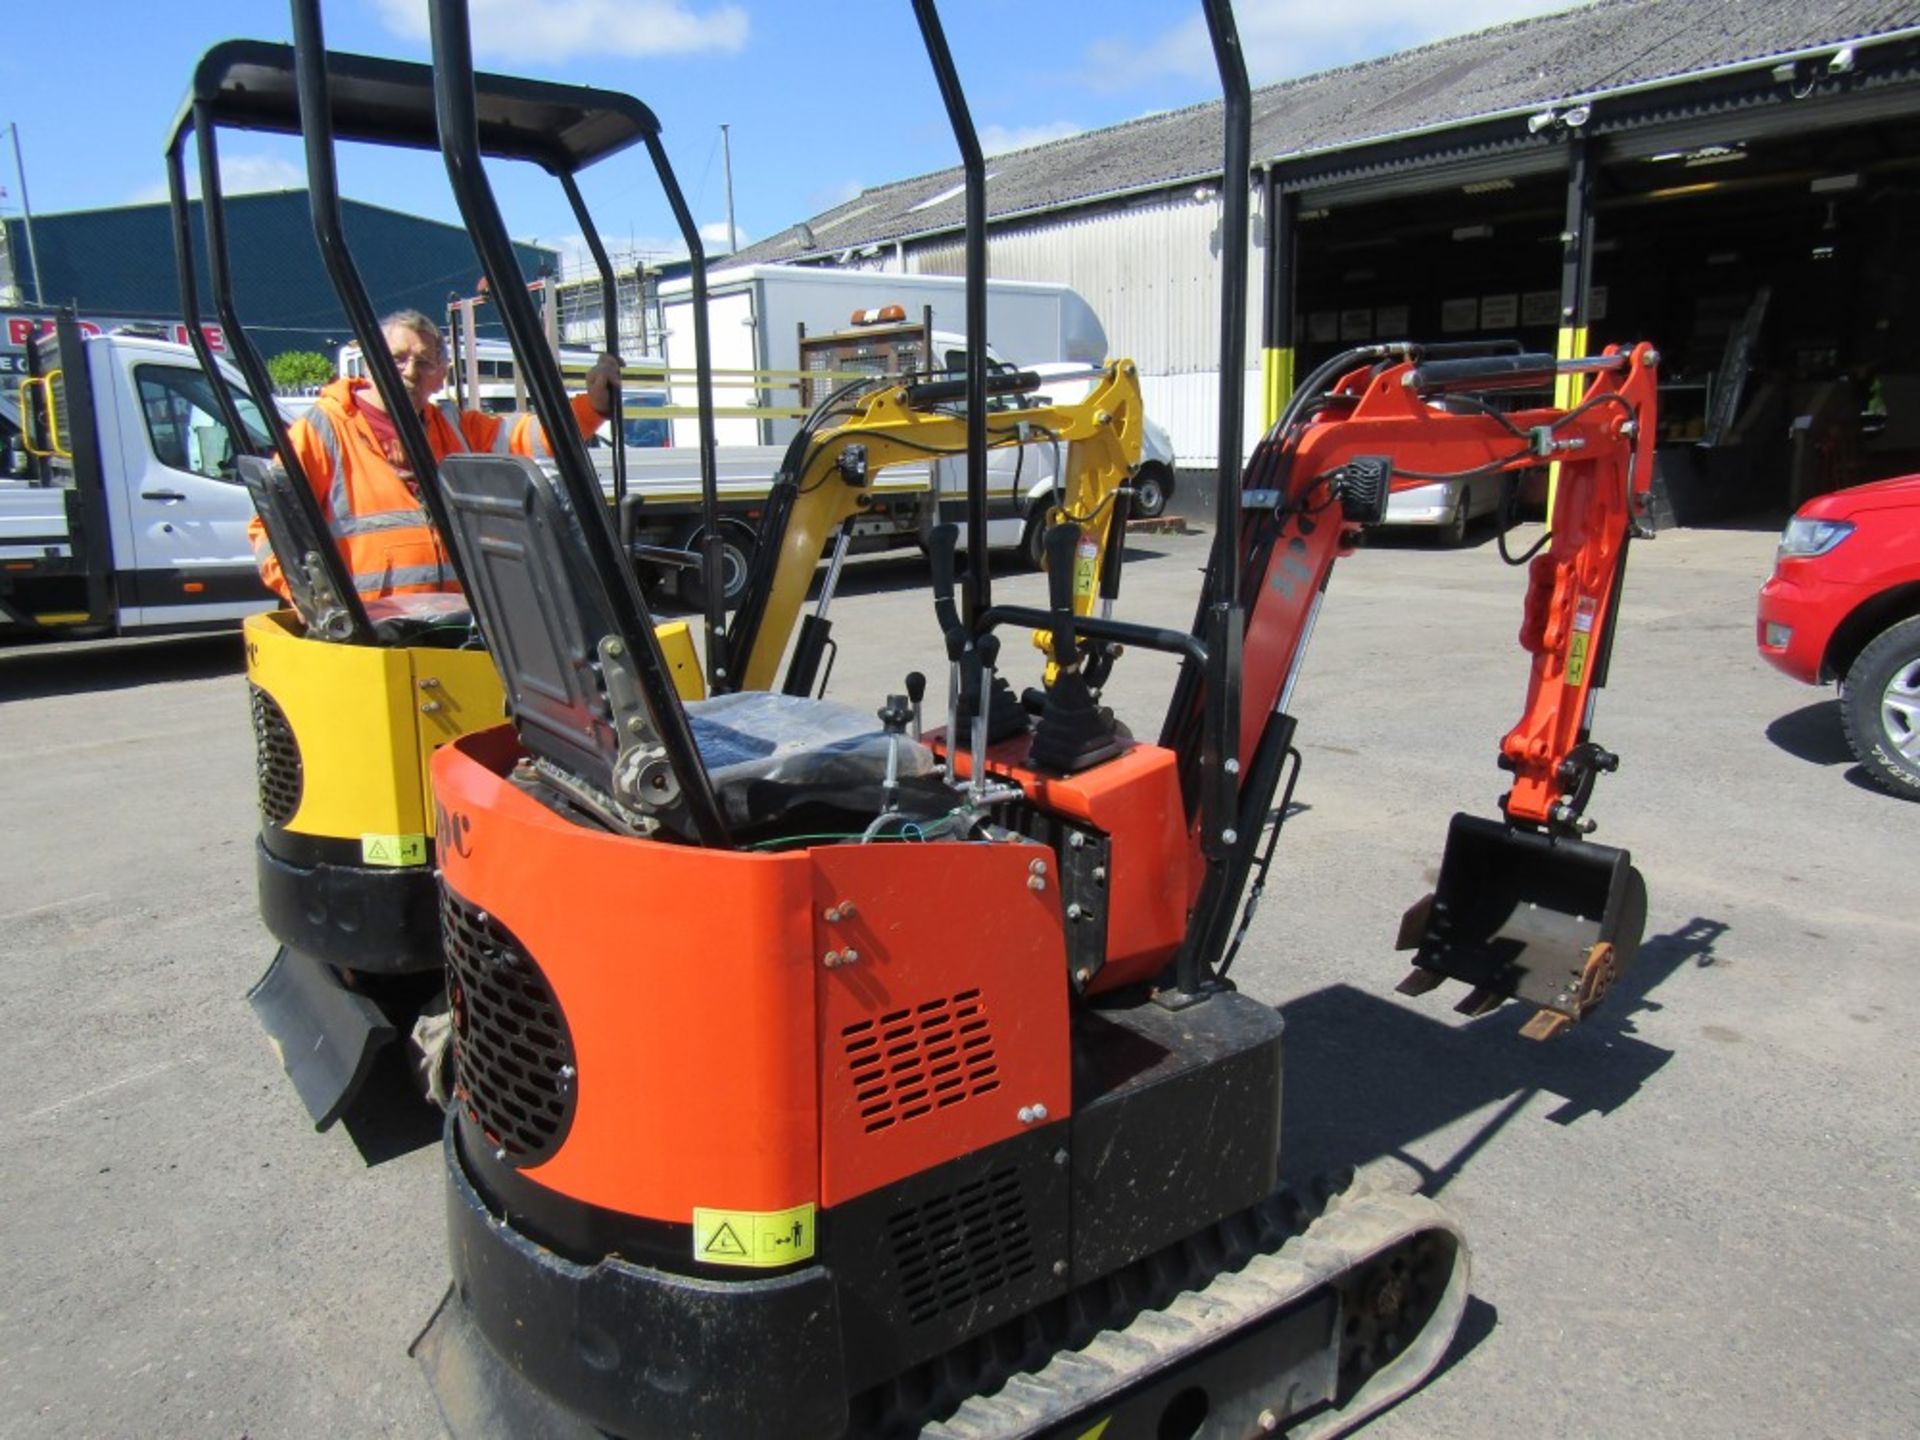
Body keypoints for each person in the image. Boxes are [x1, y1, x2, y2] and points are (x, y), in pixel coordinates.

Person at [249, 308, 621, 603]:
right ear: (370, 363)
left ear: (440, 375)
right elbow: (271, 527)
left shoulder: (453, 427)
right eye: (397, 358)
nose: (410, 371)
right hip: (370, 638)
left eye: (424, 362)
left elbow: (532, 436)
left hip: (454, 626)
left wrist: (593, 407)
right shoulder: (322, 430)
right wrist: (317, 603)